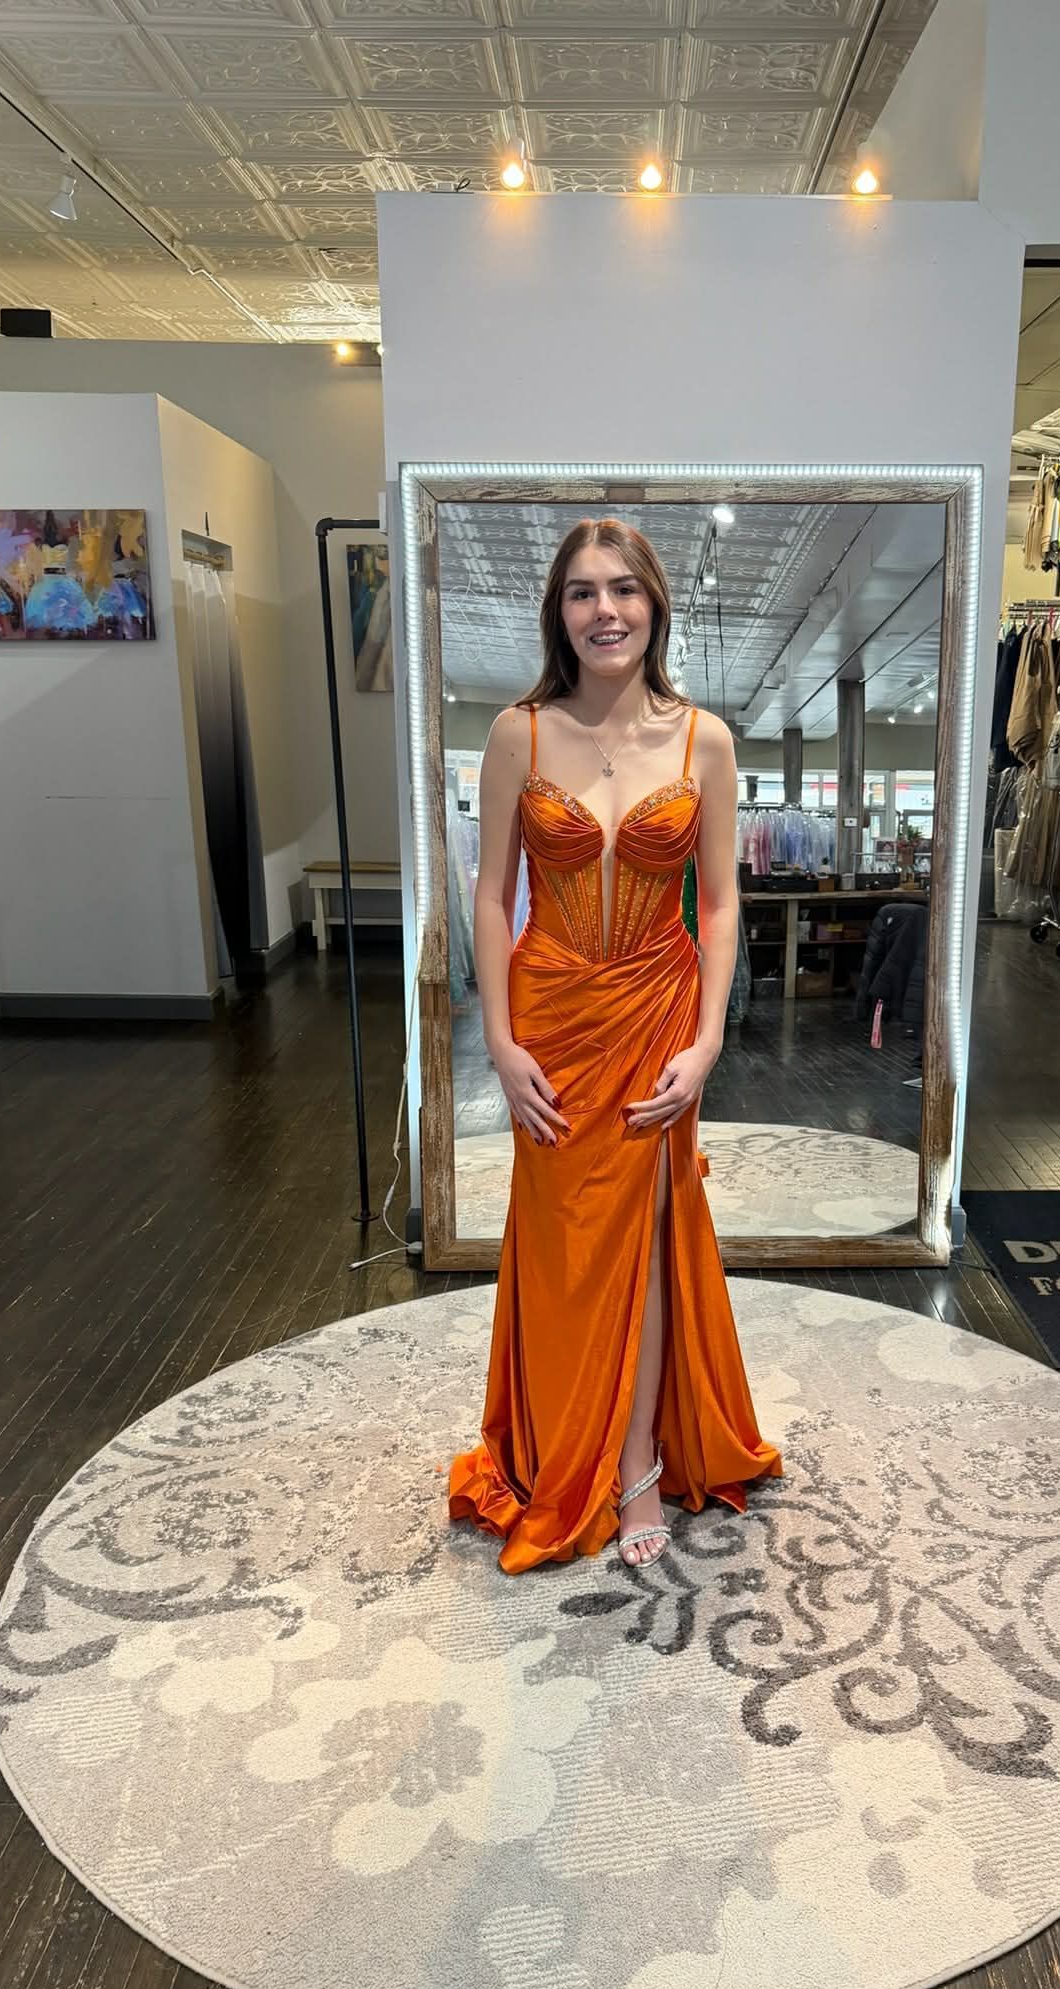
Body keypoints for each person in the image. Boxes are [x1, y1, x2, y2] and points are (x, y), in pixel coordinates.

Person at [446, 518, 782, 1573]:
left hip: (655, 1008)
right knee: (562, 1244)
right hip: (550, 1015)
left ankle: (635, 1461)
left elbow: (720, 904)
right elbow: (491, 893)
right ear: (559, 612)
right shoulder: (519, 733)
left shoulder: (702, 740)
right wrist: (498, 1037)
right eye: (583, 592)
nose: (605, 610)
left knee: (645, 1236)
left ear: (654, 605)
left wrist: (710, 1038)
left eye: (624, 589)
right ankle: (559, 1442)